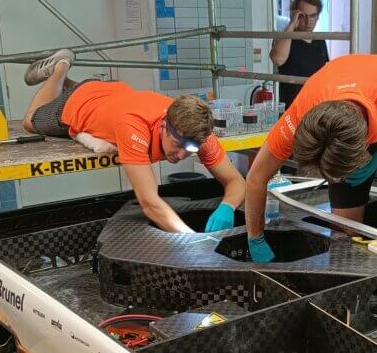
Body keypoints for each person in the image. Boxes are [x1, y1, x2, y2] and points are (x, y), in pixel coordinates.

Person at [21, 49, 245, 234]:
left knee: (89, 92)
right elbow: (150, 204)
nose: (181, 156)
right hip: (78, 104)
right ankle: (61, 68)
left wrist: (227, 206)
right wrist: (193, 240)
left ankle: (73, 83)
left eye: (191, 149)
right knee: (29, 121)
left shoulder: (198, 131)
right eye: (178, 146)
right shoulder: (133, 127)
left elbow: (236, 181)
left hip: (110, 91)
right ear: (163, 125)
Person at [244, 53, 377, 263]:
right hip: (345, 119)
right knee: (344, 229)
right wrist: (255, 238)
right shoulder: (300, 117)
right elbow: (256, 178)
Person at [269, 0, 329, 108]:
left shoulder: (320, 41)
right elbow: (277, 59)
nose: (308, 21)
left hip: (315, 105)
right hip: (292, 106)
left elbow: (323, 71)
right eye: (303, 16)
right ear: (295, 15)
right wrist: (292, 23)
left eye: (313, 16)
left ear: (317, 17)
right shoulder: (285, 38)